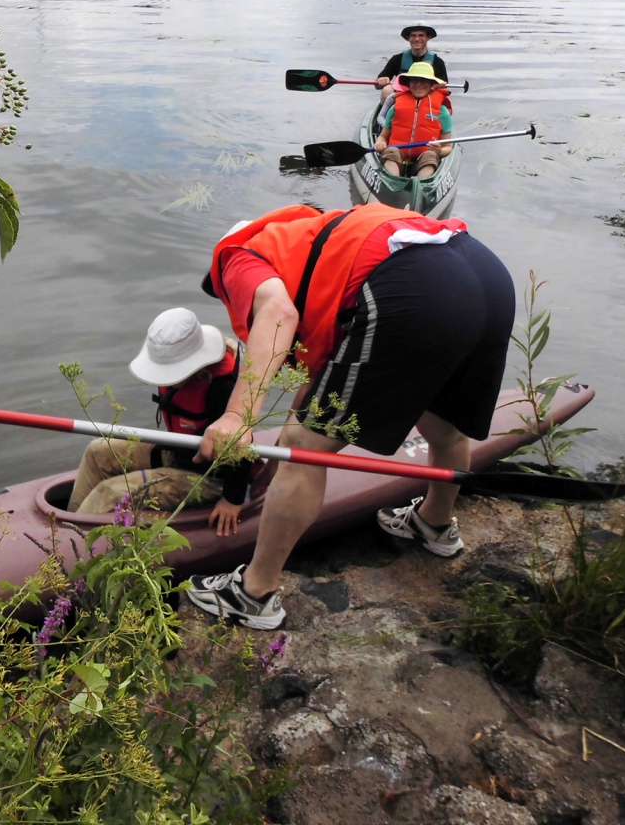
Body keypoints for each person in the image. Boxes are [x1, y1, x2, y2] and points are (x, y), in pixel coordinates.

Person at [185, 203, 515, 628]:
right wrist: (296, 420)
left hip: (417, 286)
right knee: (442, 421)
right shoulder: (322, 243)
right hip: (482, 271)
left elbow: (278, 313)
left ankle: (253, 593)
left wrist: (238, 416)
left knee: (303, 450)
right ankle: (433, 524)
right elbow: (327, 360)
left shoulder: (239, 256)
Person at [67, 307, 253, 536]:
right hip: (177, 452)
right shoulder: (180, 375)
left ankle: (75, 544)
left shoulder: (223, 387)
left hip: (209, 478)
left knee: (110, 492)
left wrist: (232, 500)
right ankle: (68, 527)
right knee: (97, 451)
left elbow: (243, 447)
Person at [373, 61, 453, 179]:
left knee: (430, 156)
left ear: (432, 84)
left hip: (424, 160)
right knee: (392, 152)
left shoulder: (442, 111)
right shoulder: (396, 107)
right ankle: (393, 183)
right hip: (396, 156)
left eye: (423, 80)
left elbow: (448, 147)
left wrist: (440, 151)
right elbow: (383, 136)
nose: (418, 84)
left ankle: (421, 186)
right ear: (409, 83)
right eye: (414, 80)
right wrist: (380, 143)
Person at [375, 21, 449, 102]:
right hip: (402, 97)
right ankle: (388, 113)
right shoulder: (397, 59)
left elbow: (445, 88)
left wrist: (440, 86)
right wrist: (381, 80)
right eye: (413, 36)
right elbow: (377, 85)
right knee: (387, 90)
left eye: (421, 35)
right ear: (408, 38)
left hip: (427, 97)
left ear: (428, 37)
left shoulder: (437, 62)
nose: (417, 39)